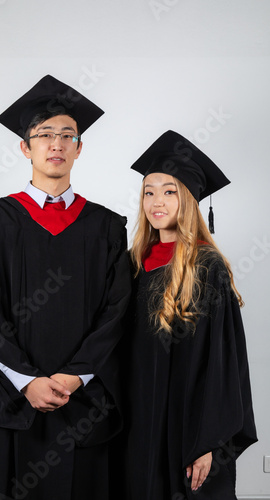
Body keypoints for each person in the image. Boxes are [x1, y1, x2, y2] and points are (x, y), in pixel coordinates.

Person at [0, 75, 131, 500]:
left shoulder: (107, 227)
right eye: (44, 135)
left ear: (79, 148)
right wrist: (26, 380)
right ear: (25, 147)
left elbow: (118, 310)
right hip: (11, 398)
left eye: (67, 135)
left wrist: (74, 377)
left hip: (85, 399)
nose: (56, 144)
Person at [118, 130, 257, 499]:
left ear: (190, 200)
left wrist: (208, 442)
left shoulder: (205, 266)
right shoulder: (133, 266)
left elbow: (223, 362)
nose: (156, 202)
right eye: (149, 191)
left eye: (169, 191)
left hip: (188, 429)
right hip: (139, 425)